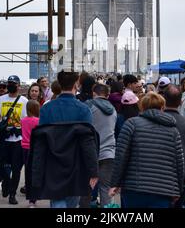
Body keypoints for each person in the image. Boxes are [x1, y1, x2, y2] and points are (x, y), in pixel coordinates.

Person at [28, 71, 99, 208]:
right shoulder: (84, 110)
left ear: (60, 85)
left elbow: (41, 143)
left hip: (52, 164)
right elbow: (88, 143)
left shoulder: (46, 109)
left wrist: (36, 171)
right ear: (76, 85)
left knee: (57, 201)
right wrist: (93, 170)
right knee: (72, 201)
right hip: (76, 164)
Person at [109, 92, 184, 208]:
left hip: (134, 187)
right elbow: (179, 162)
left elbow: (121, 155)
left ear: (142, 107)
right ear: (162, 107)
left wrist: (115, 183)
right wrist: (178, 189)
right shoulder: (173, 131)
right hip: (164, 190)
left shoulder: (131, 124)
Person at [0, 75, 28, 205]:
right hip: (3, 139)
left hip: (18, 140)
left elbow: (25, 121)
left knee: (16, 168)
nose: (11, 85)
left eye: (13, 83)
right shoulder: (1, 99)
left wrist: (24, 137)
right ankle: (6, 181)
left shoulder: (24, 101)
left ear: (18, 86)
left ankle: (12, 194)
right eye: (9, 83)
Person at [84, 83, 117, 207]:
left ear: (94, 93)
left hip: (91, 153)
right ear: (107, 95)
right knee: (106, 189)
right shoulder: (113, 109)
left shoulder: (89, 106)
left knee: (86, 189)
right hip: (109, 152)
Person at [20, 100, 40, 207]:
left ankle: (30, 199)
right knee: (35, 172)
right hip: (36, 148)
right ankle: (35, 196)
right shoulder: (39, 121)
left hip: (24, 147)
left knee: (27, 172)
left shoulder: (23, 120)